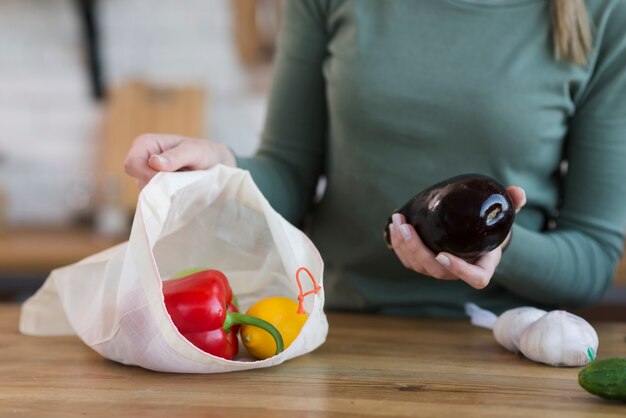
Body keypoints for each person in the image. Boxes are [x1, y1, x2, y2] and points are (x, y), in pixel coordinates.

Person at [124, 0, 626, 317]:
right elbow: (289, 175)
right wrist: (220, 166)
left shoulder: (604, 14)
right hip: (335, 326)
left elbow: (591, 260)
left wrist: (498, 244)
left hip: (508, 342)